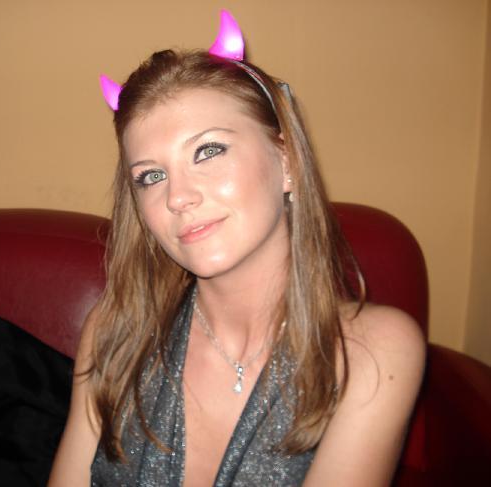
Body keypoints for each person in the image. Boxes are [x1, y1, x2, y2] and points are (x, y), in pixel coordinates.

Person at [48, 10, 425, 487]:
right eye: (151, 176)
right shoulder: (114, 333)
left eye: (208, 151)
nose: (178, 196)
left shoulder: (372, 352)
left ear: (287, 162)